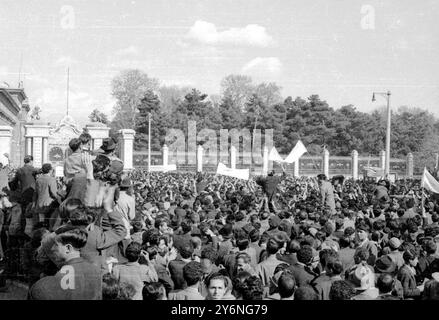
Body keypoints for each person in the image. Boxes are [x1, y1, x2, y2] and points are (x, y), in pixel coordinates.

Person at [28, 226, 102, 300]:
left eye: (56, 245)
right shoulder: (95, 270)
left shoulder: (62, 275)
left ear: (68, 248)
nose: (53, 248)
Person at [33, 163, 60, 229]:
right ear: (50, 170)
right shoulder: (51, 179)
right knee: (49, 223)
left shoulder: (38, 179)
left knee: (42, 223)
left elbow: (35, 193)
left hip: (39, 204)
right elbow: (54, 193)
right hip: (49, 204)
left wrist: (34, 203)